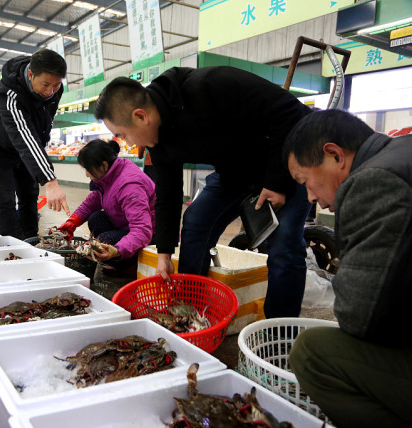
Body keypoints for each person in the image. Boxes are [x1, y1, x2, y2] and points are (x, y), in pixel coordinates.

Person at [94, 66, 313, 318]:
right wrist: (164, 253)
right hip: (235, 172)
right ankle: (189, 312)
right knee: (196, 220)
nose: (129, 144)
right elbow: (168, 195)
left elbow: (290, 113)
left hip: (286, 163)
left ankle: (278, 333)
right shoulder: (159, 140)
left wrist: (276, 182)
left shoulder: (210, 86)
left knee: (283, 242)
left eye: (123, 135)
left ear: (141, 116)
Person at [283, 109, 412, 427]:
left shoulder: (373, 181)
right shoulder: (402, 152)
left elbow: (358, 317)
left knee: (312, 354)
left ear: (334, 155)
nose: (311, 196)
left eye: (306, 182)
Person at [0, 49, 69, 239]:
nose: (50, 91)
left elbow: (41, 128)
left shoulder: (53, 91)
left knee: (29, 195)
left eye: (56, 85)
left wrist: (40, 158)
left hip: (23, 147)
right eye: (46, 84)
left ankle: (31, 241)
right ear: (30, 74)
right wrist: (50, 180)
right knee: (5, 200)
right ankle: (12, 248)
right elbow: (24, 134)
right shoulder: (8, 94)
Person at [58, 139, 155, 272]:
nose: (87, 174)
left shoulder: (130, 185)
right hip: (127, 226)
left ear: (103, 165)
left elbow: (142, 230)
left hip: (153, 237)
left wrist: (116, 250)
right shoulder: (110, 174)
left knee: (104, 241)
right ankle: (119, 260)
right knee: (95, 219)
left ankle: (130, 266)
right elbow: (93, 200)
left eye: (88, 169)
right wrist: (73, 222)